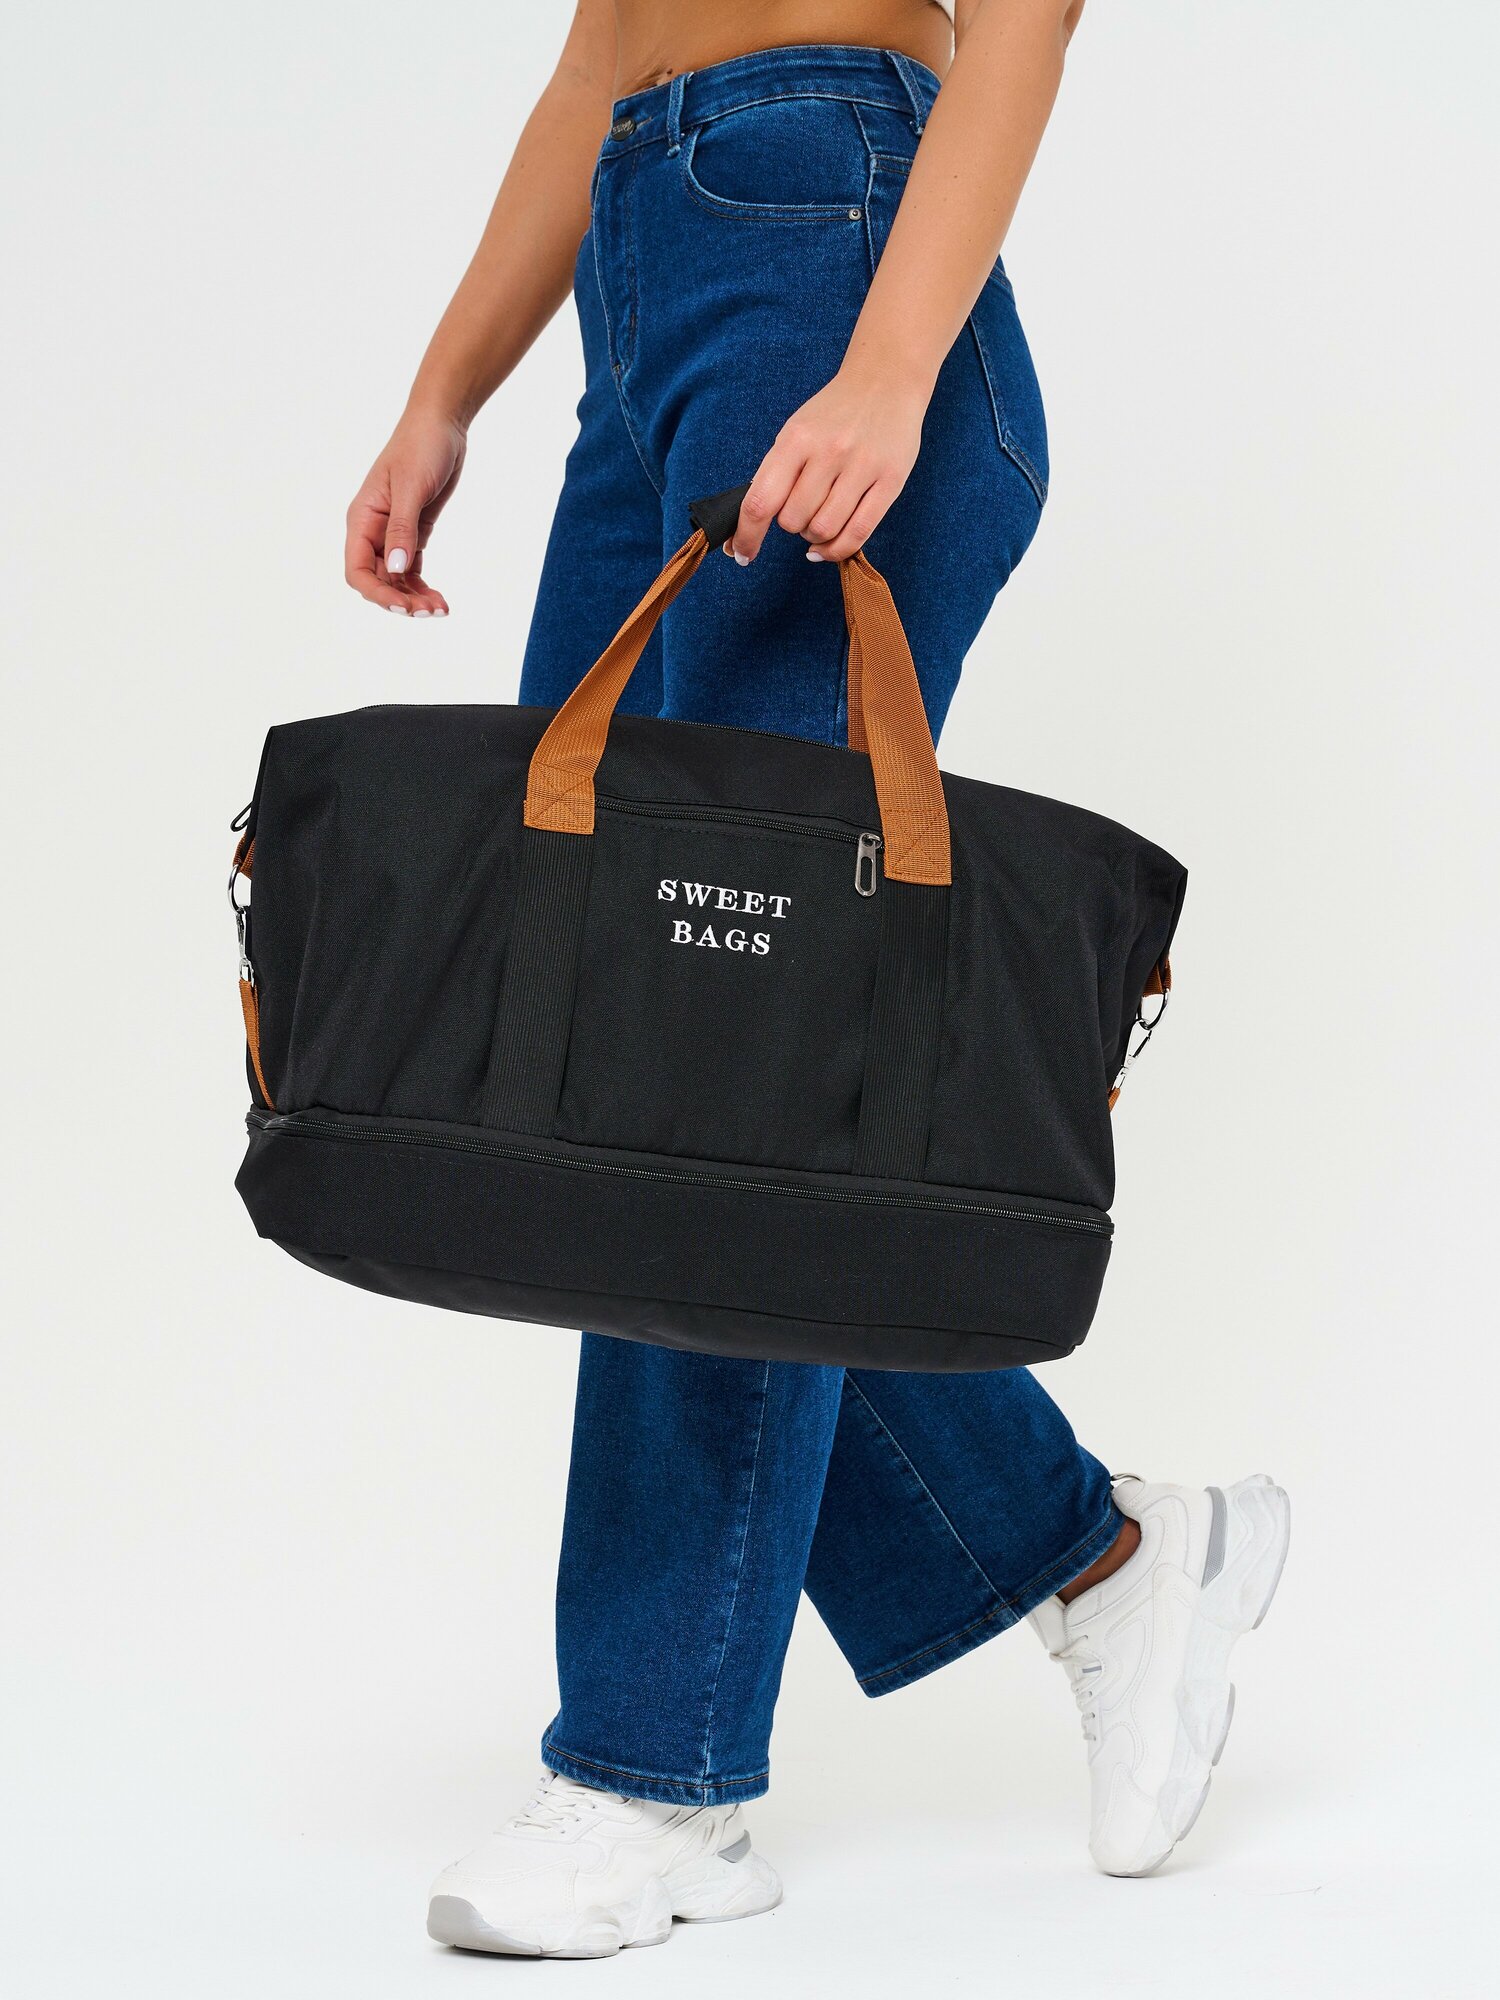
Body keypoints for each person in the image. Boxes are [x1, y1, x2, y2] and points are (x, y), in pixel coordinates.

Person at [344, 0, 1289, 1959]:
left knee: (719, 1077)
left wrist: (889, 363)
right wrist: (449, 390)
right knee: (614, 1056)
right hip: (647, 296)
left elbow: (1023, 22)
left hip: (832, 254)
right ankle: (1107, 1560)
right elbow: (600, 50)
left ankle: (655, 1774)